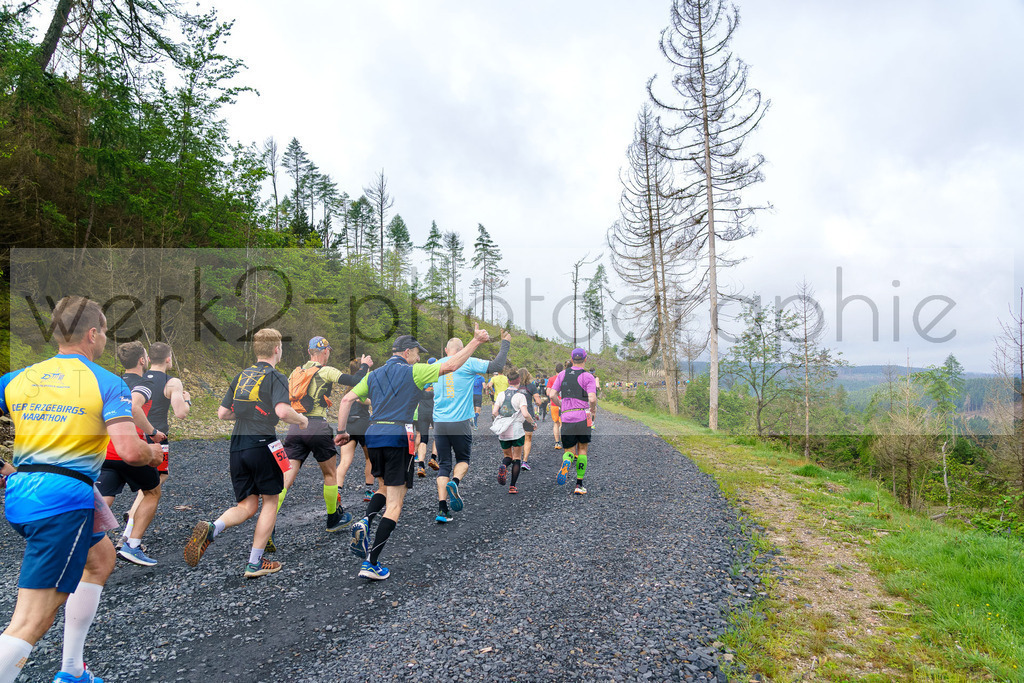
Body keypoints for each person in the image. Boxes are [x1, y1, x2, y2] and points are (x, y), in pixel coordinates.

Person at [0, 296, 163, 683]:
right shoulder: (108, 382)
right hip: (63, 502)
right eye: (104, 332)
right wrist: (152, 452)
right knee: (31, 620)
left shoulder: (17, 378)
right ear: (93, 334)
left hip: (25, 491)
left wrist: (5, 469)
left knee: (101, 559)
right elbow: (126, 449)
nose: (105, 339)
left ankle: (72, 671)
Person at [334, 327, 492, 580]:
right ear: (407, 353)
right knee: (395, 503)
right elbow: (451, 366)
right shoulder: (414, 371)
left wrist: (341, 431)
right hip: (399, 436)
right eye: (417, 353)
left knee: (383, 487)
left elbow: (346, 400)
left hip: (374, 434)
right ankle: (371, 563)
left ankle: (365, 521)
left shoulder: (373, 375)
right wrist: (475, 341)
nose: (418, 358)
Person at [183, 328, 308, 579]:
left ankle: (213, 527)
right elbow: (283, 412)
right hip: (262, 443)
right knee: (270, 500)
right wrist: (302, 421)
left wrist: (247, 414)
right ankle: (254, 562)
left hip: (237, 446)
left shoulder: (241, 376)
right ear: (276, 349)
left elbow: (223, 413)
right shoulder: (276, 376)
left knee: (247, 504)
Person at [278, 337, 370, 534]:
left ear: (309, 351)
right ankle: (332, 519)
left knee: (286, 478)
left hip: (295, 428)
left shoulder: (295, 373)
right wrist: (364, 366)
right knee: (330, 474)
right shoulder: (326, 371)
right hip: (317, 427)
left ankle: (268, 521)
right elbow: (355, 381)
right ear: (325, 351)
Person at [120, 342, 191, 561]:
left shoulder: (141, 380)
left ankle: (130, 524)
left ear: (148, 359)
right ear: (169, 359)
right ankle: (130, 529)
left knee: (154, 479)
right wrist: (186, 399)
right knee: (153, 484)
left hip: (133, 435)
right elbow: (180, 413)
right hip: (157, 438)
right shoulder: (171, 382)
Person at [431, 330, 511, 523]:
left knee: (443, 466)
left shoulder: (434, 365)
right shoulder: (468, 361)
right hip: (460, 422)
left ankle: (442, 510)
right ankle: (455, 482)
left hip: (439, 423)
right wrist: (505, 342)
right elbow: (497, 365)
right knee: (463, 459)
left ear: (445, 349)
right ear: (462, 350)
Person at [96, 342, 164, 567]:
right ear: (142, 361)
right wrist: (152, 432)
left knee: (104, 496)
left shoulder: (111, 383)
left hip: (105, 449)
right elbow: (134, 407)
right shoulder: (144, 384)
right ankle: (132, 545)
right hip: (131, 448)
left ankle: (80, 541)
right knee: (152, 491)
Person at [548, 349, 598, 495]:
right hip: (583, 416)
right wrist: (593, 410)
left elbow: (552, 394)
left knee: (569, 450)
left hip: (567, 416)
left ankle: (567, 461)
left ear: (571, 359)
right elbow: (592, 398)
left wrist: (562, 405)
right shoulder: (588, 376)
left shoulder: (562, 374)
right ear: (585, 359)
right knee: (582, 449)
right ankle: (579, 484)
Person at [337, 358, 376, 503]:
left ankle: (337, 490)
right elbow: (361, 400)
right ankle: (369, 491)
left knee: (345, 460)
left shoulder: (347, 388)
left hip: (348, 424)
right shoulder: (364, 384)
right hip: (363, 423)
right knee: (369, 458)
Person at [491, 371, 537, 494]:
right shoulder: (520, 396)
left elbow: (494, 411)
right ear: (518, 381)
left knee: (507, 456)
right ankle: (512, 486)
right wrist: (533, 423)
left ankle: (504, 466)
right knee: (517, 458)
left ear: (508, 381)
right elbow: (526, 414)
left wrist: (501, 419)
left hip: (504, 429)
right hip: (516, 429)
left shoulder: (501, 395)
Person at [414, 359, 438, 477]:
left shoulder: (422, 379)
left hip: (422, 411)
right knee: (438, 436)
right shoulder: (439, 377)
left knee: (423, 439)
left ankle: (421, 466)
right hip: (435, 411)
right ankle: (433, 458)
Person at [519, 369, 544, 471]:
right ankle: (524, 461)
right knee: (527, 438)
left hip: (516, 415)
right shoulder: (531, 386)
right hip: (528, 415)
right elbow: (538, 402)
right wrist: (539, 401)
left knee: (516, 438)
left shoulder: (515, 386)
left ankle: (515, 459)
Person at [546, 363, 564, 449]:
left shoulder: (551, 379)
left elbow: (548, 393)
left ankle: (557, 442)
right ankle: (565, 441)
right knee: (563, 423)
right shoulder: (565, 378)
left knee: (556, 423)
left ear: (555, 370)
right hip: (564, 403)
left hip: (554, 404)